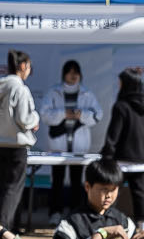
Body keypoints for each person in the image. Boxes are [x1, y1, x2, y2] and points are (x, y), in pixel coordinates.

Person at [0, 50, 39, 231]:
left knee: (6, 186)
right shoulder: (20, 89)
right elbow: (24, 118)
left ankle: (12, 223)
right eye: (29, 67)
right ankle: (2, 225)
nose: (29, 71)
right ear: (22, 66)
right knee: (13, 187)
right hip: (17, 143)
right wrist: (35, 119)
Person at [102, 72, 144, 222]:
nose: (119, 85)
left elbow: (113, 135)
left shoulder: (121, 106)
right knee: (139, 193)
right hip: (141, 159)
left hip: (122, 159)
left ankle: (107, 223)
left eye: (120, 82)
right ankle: (143, 228)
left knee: (112, 192)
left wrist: (106, 156)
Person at [42, 59, 101, 211]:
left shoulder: (87, 93)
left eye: (76, 72)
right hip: (58, 144)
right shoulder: (53, 92)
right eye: (70, 72)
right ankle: (55, 213)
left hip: (78, 145)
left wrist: (81, 115)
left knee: (77, 181)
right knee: (57, 181)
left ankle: (76, 213)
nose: (73, 75)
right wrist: (63, 114)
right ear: (64, 74)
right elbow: (45, 115)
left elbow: (97, 115)